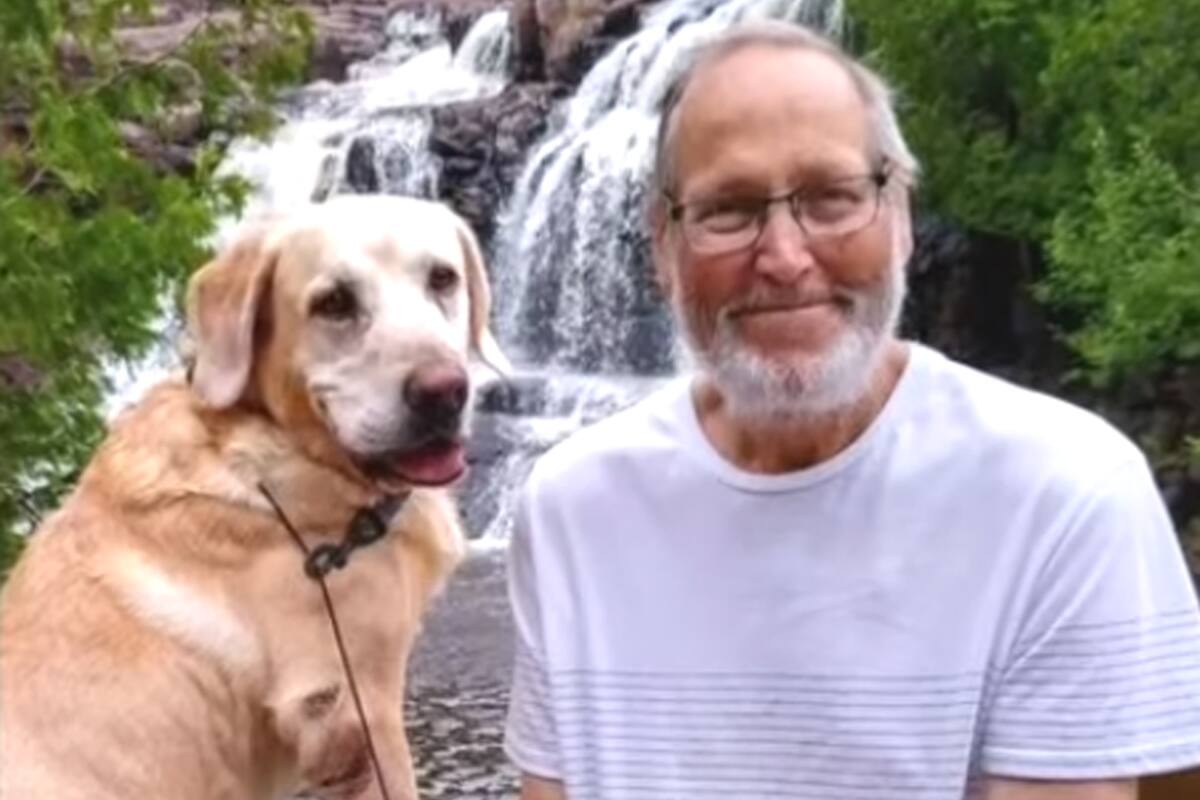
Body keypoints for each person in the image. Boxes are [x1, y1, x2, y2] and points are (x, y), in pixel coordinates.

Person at [502, 20, 1200, 800]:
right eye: (729, 210)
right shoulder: (571, 509)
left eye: (832, 199)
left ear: (899, 214)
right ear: (664, 246)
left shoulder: (1065, 494)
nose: (785, 257)